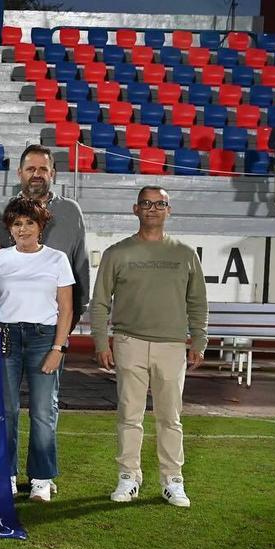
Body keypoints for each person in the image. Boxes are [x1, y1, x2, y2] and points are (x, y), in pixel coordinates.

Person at [91, 186, 208, 508]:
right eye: (146, 204)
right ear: (135, 209)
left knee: (170, 418)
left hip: (172, 346)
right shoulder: (117, 253)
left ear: (169, 210)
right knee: (130, 415)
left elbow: (198, 301)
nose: (153, 209)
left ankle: (173, 480)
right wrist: (102, 341)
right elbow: (99, 302)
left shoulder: (185, 254)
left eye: (160, 204)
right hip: (129, 342)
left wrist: (199, 339)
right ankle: (129, 477)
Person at [0, 197, 75, 503]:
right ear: (9, 229)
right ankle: (6, 475)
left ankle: (41, 478)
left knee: (43, 411)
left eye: (29, 222)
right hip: (5, 338)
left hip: (44, 339)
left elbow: (66, 308)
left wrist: (58, 347)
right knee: (6, 411)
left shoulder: (57, 259)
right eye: (16, 223)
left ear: (41, 226)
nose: (23, 229)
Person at [0, 144, 89, 328]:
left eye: (43, 169)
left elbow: (81, 264)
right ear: (19, 172)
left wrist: (78, 310)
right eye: (30, 169)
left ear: (52, 173)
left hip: (56, 319)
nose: (36, 174)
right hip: (7, 320)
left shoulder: (70, 211)